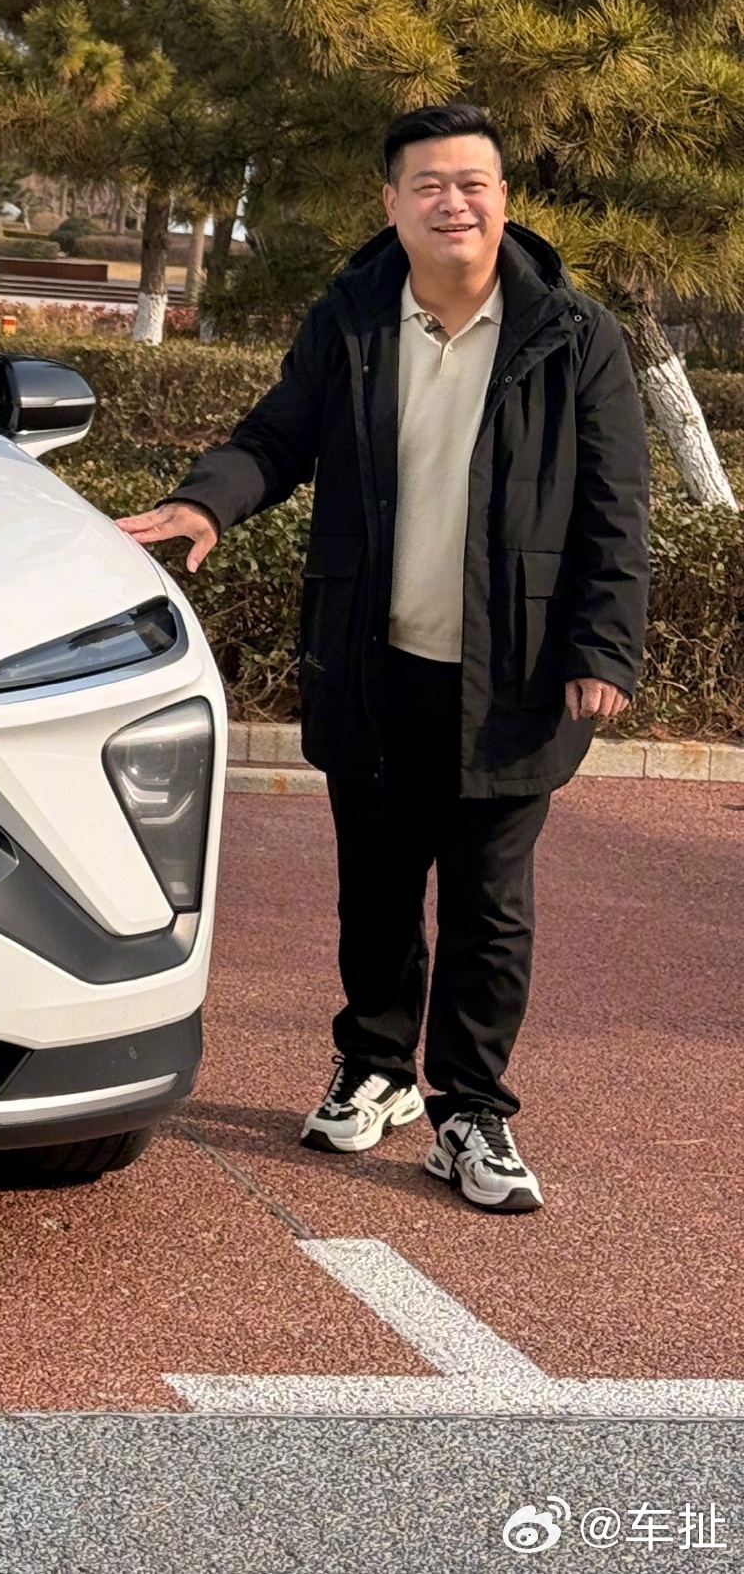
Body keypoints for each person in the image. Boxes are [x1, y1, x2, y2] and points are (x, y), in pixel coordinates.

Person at [118, 104, 649, 1213]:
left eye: (473, 183)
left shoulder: (573, 333)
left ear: (503, 200)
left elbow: (615, 505)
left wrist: (602, 644)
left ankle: (471, 1110)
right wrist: (204, 502)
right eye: (429, 185)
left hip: (513, 673)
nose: (454, 203)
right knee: (374, 887)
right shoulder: (353, 317)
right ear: (390, 202)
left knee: (488, 907)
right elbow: (277, 434)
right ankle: (373, 1066)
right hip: (372, 657)